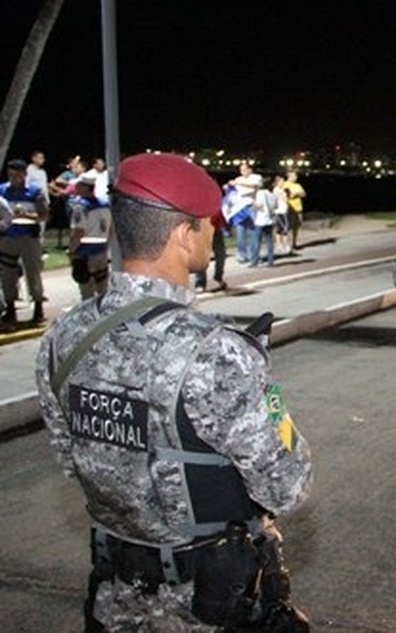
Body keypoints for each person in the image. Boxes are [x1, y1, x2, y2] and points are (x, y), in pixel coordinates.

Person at [35, 153, 312, 631]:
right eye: (209, 225)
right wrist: (268, 396)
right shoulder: (219, 353)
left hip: (117, 599)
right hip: (211, 605)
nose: (214, 233)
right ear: (185, 235)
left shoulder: (64, 335)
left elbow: (71, 458)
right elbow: (288, 485)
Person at [1, 159, 49, 327]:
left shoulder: (34, 192)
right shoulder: (2, 191)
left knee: (33, 272)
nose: (14, 178)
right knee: (7, 274)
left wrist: (25, 215)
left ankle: (38, 308)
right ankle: (10, 309)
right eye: (11, 175)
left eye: (17, 175)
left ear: (24, 175)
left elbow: (44, 215)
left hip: (29, 237)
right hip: (7, 237)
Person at [68, 170, 112, 299]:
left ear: (85, 188)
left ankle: (90, 317)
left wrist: (72, 251)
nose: (76, 188)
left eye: (79, 185)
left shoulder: (80, 206)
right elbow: (110, 229)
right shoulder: (105, 204)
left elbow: (79, 232)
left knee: (87, 291)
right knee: (102, 288)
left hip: (85, 253)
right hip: (101, 250)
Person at [227, 163, 262, 263]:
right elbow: (235, 192)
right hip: (240, 209)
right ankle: (242, 255)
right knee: (240, 233)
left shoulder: (256, 177)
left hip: (252, 207)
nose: (243, 172)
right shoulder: (238, 179)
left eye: (245, 169)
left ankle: (253, 255)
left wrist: (238, 184)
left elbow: (255, 187)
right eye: (241, 170)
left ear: (250, 169)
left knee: (253, 233)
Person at [193, 210, 228, 293]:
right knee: (201, 257)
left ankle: (218, 277)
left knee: (221, 254)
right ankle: (200, 283)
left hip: (215, 228)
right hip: (200, 229)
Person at [251, 180, 276, 267]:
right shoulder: (272, 194)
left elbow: (259, 206)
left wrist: (253, 202)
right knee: (269, 241)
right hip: (270, 220)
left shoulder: (260, 193)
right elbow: (275, 206)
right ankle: (271, 261)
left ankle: (254, 261)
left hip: (260, 220)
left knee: (257, 241)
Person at [282, 171, 306, 250]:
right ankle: (286, 244)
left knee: (297, 226)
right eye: (294, 176)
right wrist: (297, 193)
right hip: (290, 208)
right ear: (289, 176)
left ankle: (294, 243)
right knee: (288, 226)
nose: (296, 177)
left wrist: (297, 193)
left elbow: (304, 194)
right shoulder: (285, 185)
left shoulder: (297, 185)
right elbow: (289, 195)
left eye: (296, 176)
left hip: (298, 208)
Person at [272, 175, 291, 256]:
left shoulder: (282, 190)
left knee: (281, 229)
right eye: (282, 181)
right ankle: (283, 245)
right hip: (280, 212)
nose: (283, 182)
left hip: (283, 211)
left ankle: (281, 245)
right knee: (284, 228)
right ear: (278, 182)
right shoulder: (276, 190)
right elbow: (277, 200)